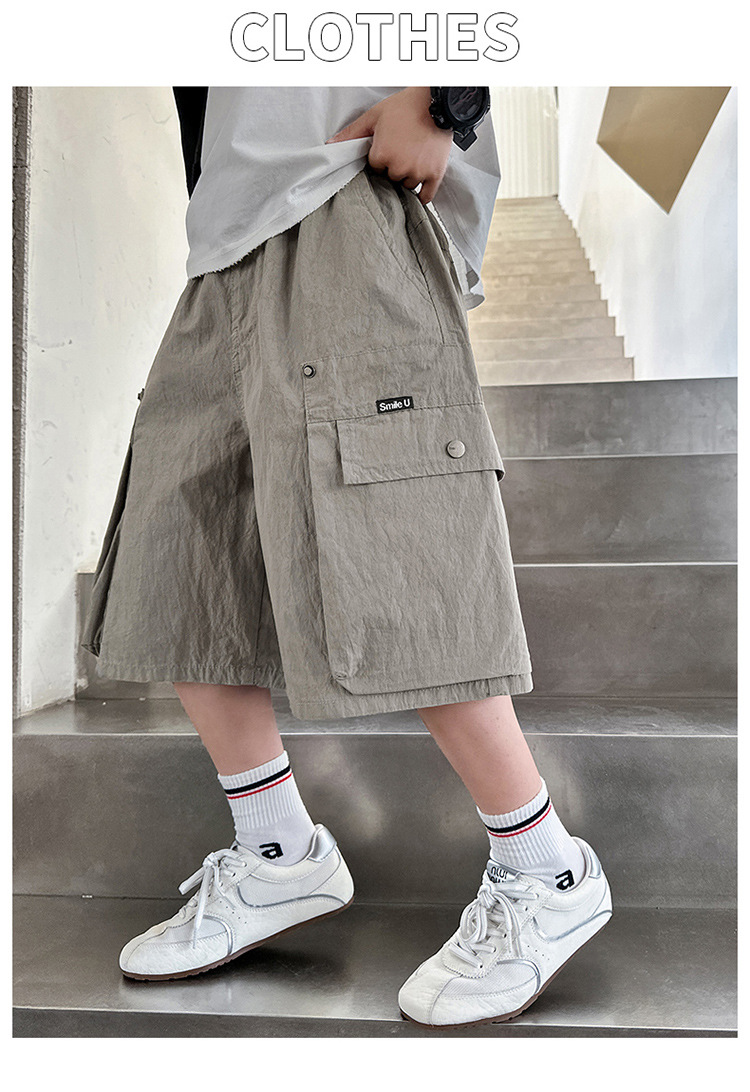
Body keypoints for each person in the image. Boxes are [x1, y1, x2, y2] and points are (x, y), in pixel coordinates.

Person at [81, 86, 612, 1029]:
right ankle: (277, 855)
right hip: (225, 243)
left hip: (350, 194)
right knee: (180, 555)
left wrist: (447, 100)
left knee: (397, 540)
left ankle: (546, 868)